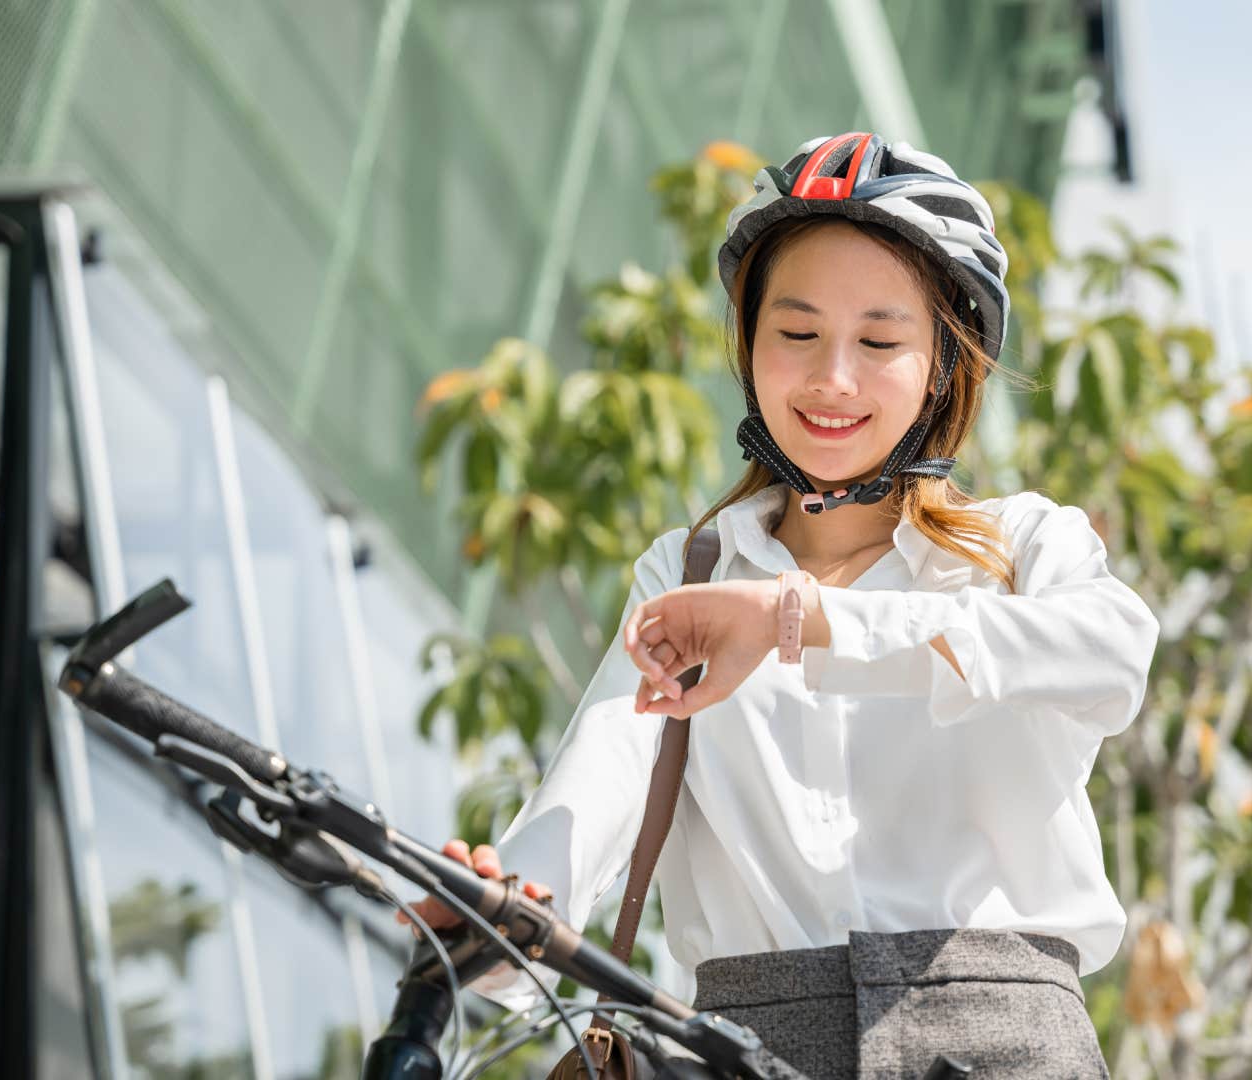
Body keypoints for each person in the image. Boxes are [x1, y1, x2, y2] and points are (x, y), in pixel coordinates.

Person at [399, 132, 1160, 1078]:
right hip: (745, 1045)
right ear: (750, 347)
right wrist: (505, 904)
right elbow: (598, 786)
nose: (831, 378)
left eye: (880, 341)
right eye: (795, 333)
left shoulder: (1024, 544)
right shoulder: (689, 570)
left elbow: (1114, 654)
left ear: (941, 365)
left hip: (1001, 1041)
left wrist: (802, 624)